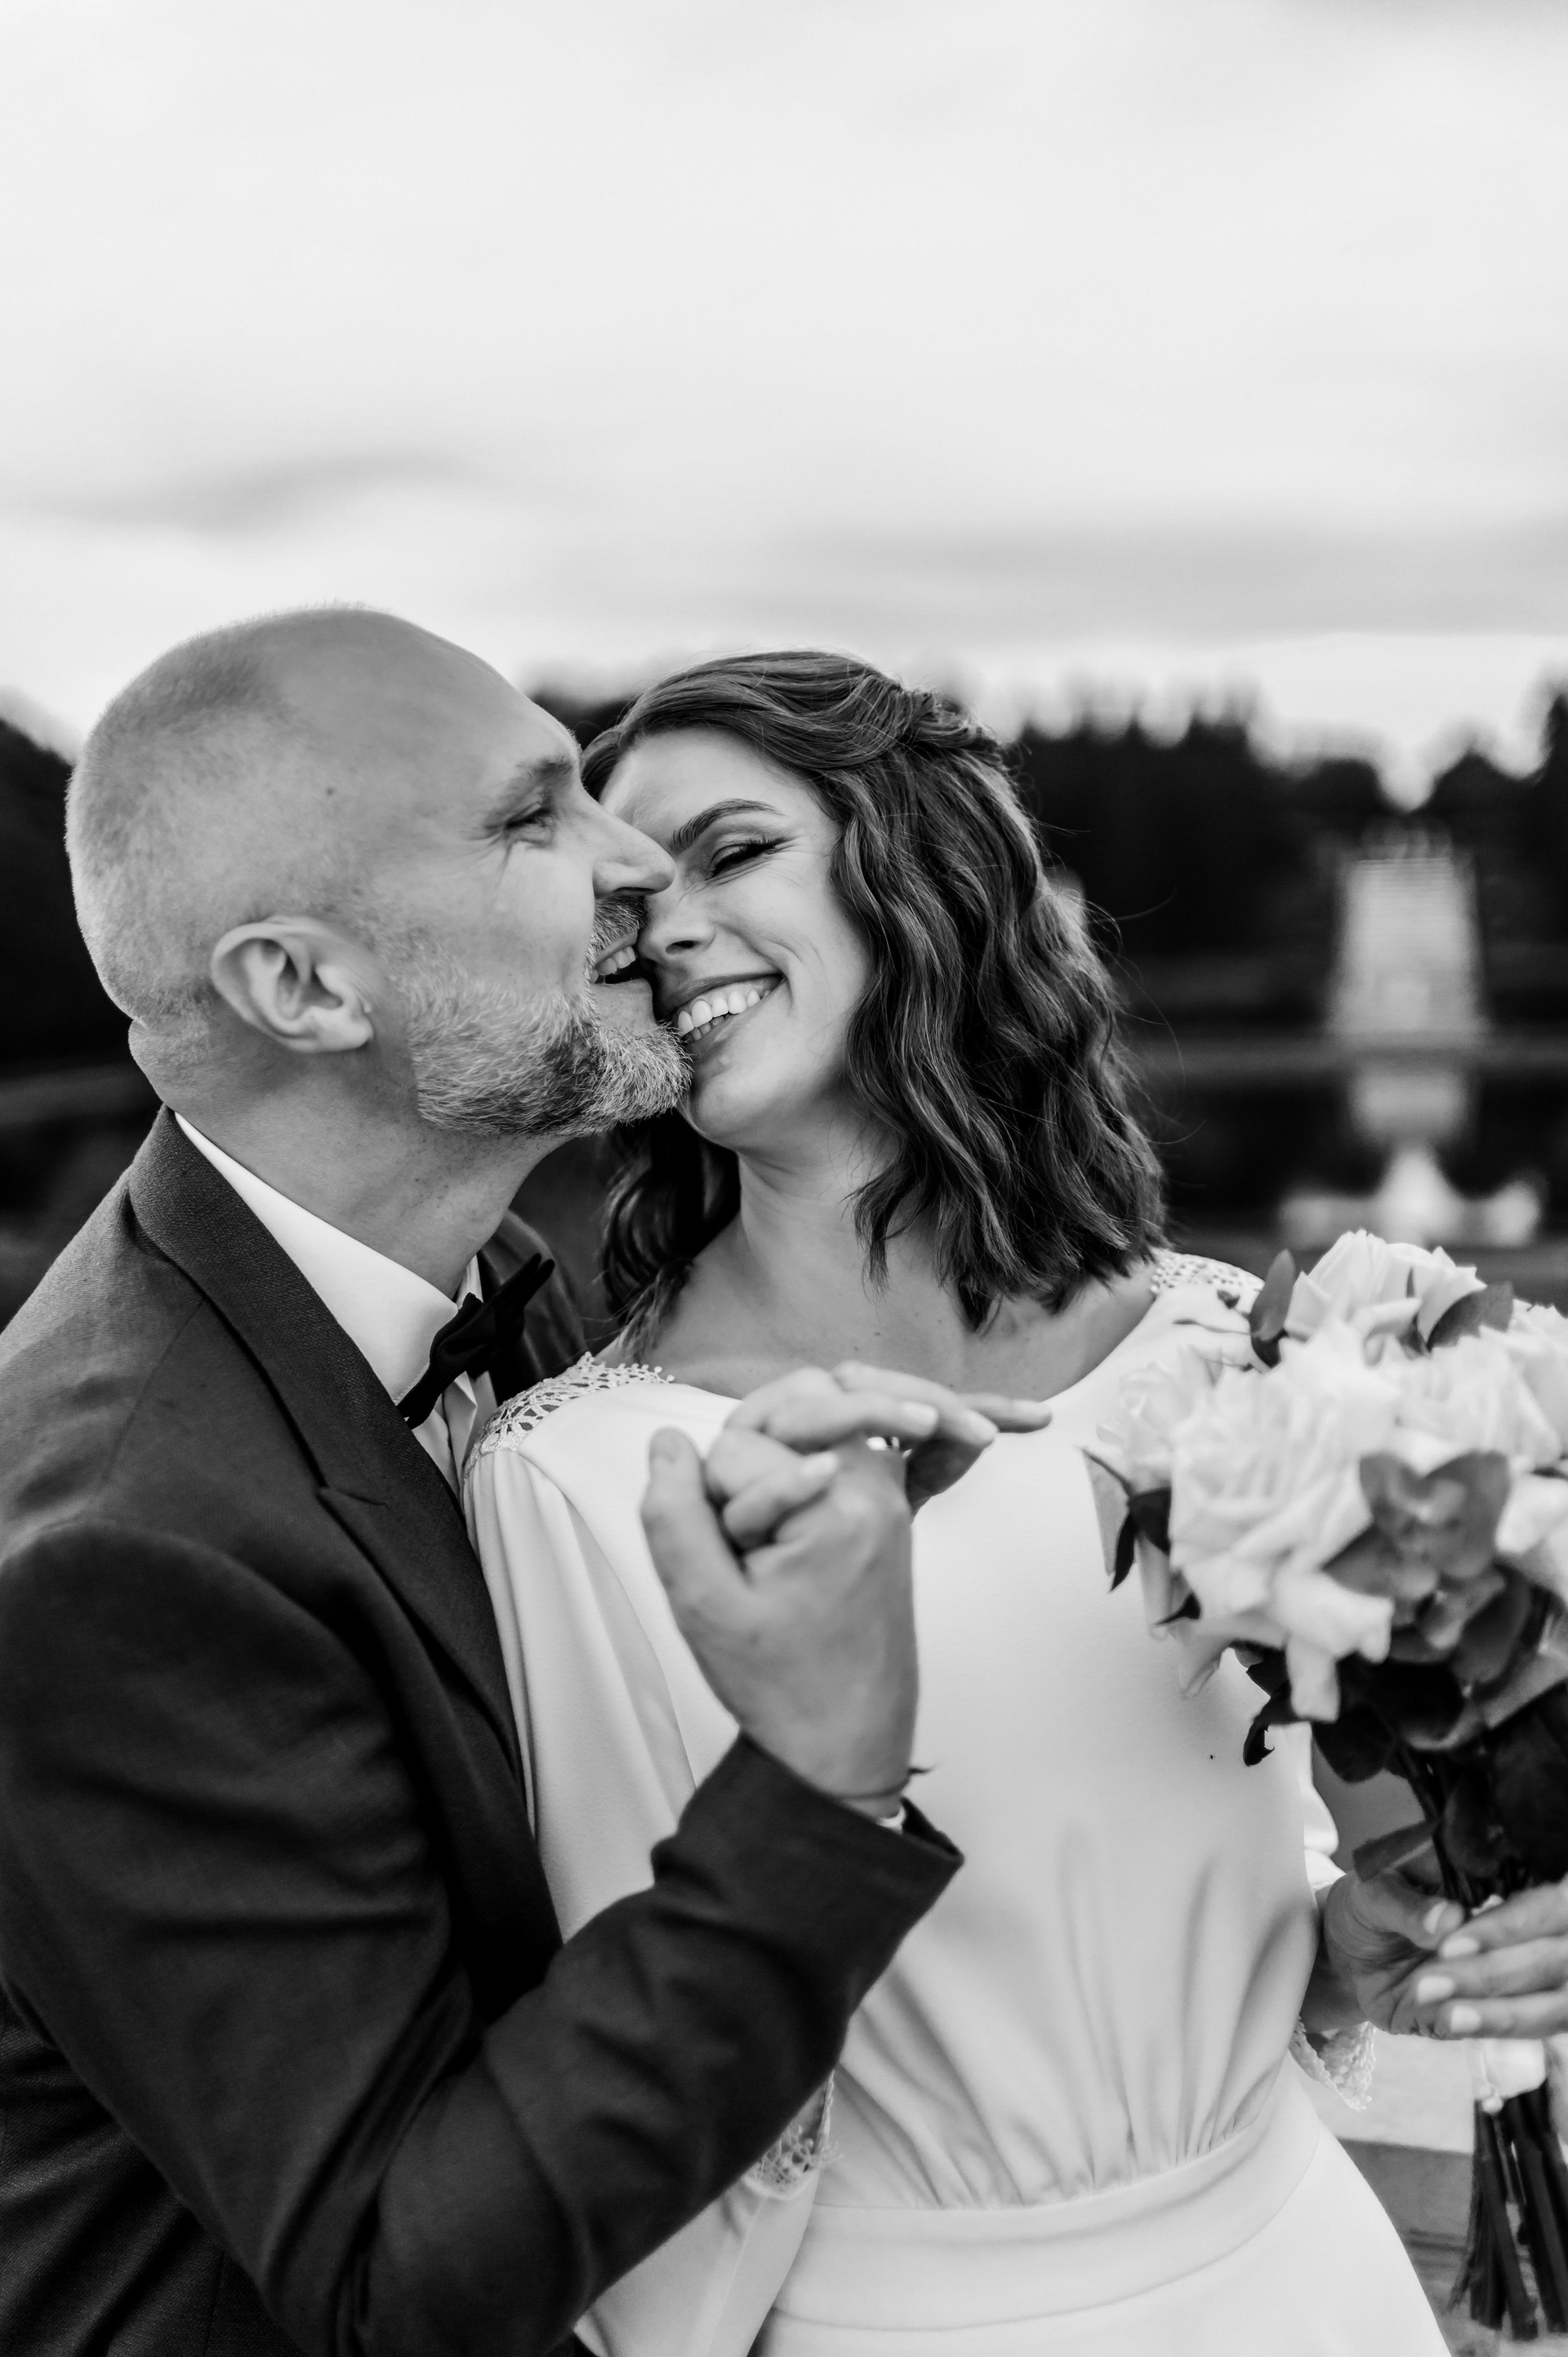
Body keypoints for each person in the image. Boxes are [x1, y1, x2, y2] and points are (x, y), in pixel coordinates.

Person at [466, 650, 1568, 2357]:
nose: (664, 923)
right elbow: (654, 2122)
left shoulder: (1234, 1352)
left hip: (1313, 2284)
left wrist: (1349, 1948)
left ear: (921, 871)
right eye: (627, 895)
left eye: (731, 850)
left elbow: (1215, 1864)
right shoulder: (576, 1477)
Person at [0, 610, 1007, 2357]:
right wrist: (816, 1783)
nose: (643, 871)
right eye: (537, 817)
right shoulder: (116, 1545)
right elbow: (397, 2276)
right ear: (307, 989)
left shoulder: (497, 1299)